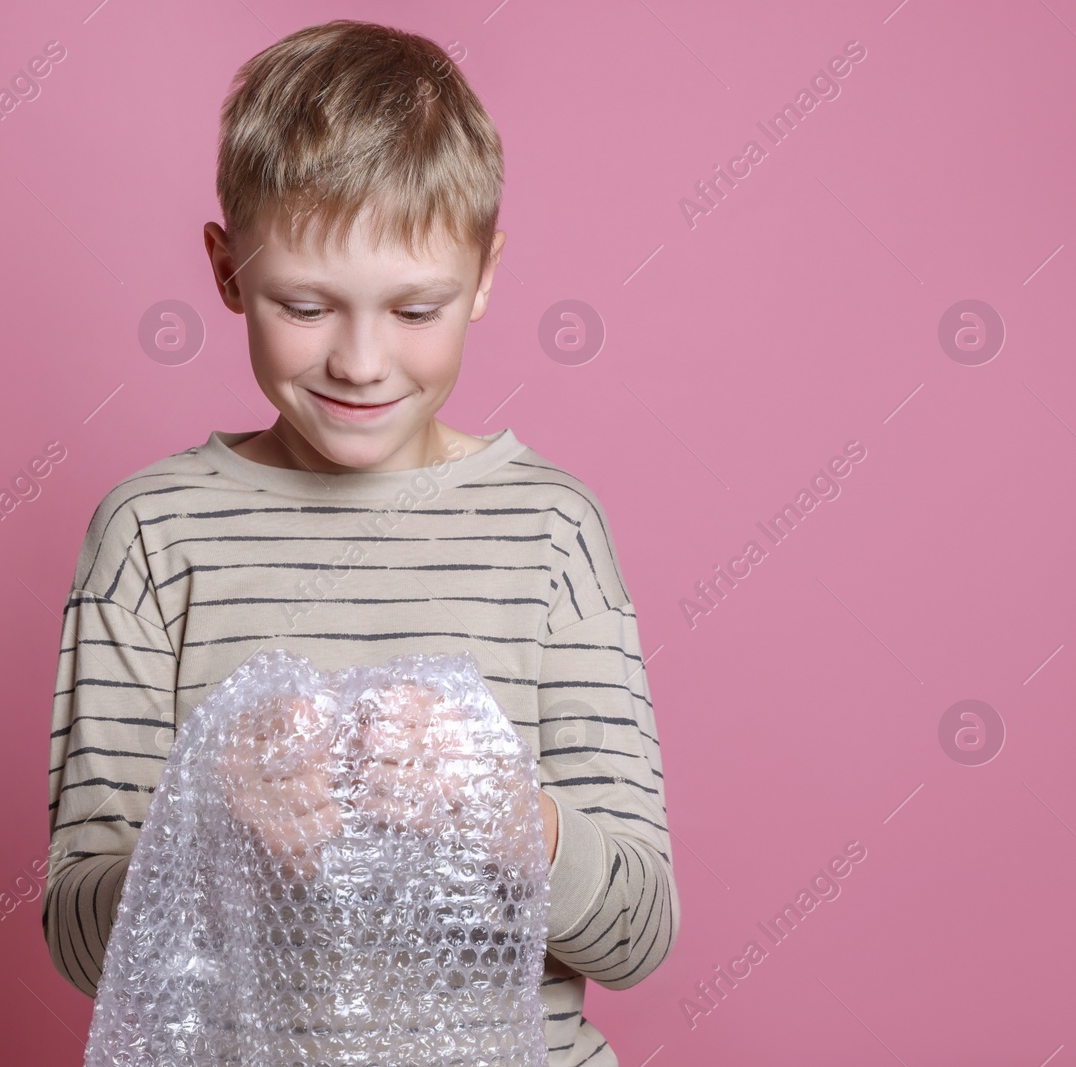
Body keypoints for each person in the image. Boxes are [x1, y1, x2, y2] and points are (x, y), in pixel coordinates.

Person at [44, 19, 679, 1066]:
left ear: (482, 276)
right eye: (305, 304)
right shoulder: (153, 535)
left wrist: (503, 813)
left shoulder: (550, 532)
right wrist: (205, 836)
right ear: (226, 268)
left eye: (416, 308)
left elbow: (638, 930)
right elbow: (78, 937)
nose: (361, 359)